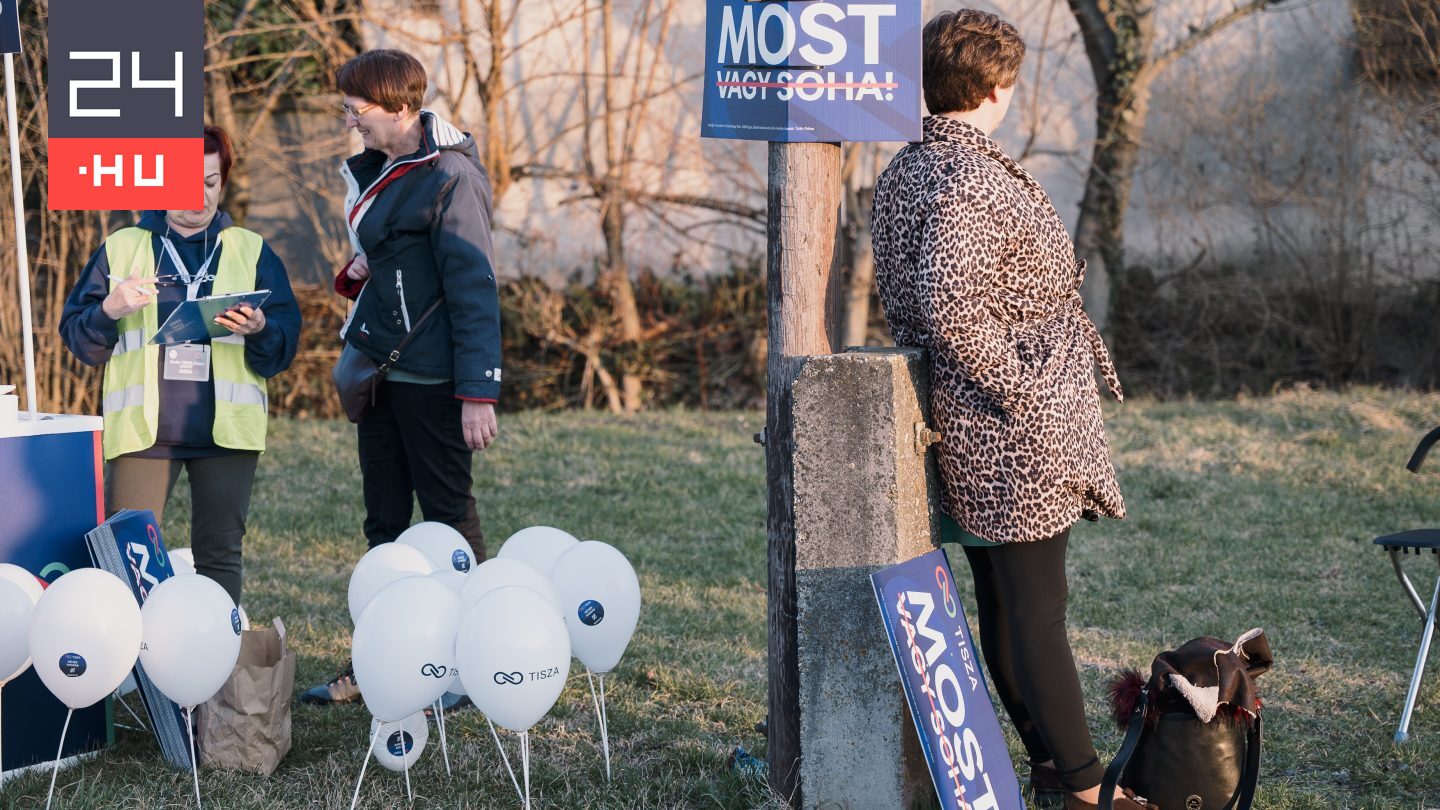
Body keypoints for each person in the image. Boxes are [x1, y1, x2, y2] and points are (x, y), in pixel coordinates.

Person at [871, 11, 1151, 810]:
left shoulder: (908, 170)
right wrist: (1027, 393)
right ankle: (1090, 790)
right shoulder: (966, 178)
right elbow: (950, 306)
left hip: (972, 420)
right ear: (996, 89)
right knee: (1035, 609)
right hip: (1005, 428)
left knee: (1007, 601)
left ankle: (1055, 770)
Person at [301, 48, 501, 706]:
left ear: (400, 108)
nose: (350, 119)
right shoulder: (381, 166)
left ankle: (480, 659)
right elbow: (395, 257)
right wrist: (362, 272)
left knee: (447, 521)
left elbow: (474, 288)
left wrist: (478, 392)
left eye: (358, 109)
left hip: (434, 381)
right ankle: (374, 663)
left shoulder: (449, 175)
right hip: (380, 374)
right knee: (382, 527)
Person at [59, 125, 301, 607]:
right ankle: (132, 672)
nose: (200, 196)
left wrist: (259, 329)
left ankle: (214, 669)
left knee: (221, 554)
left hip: (226, 433)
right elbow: (78, 338)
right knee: (127, 557)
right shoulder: (122, 246)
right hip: (145, 432)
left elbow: (282, 344)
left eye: (211, 182)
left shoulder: (251, 250)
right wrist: (109, 310)